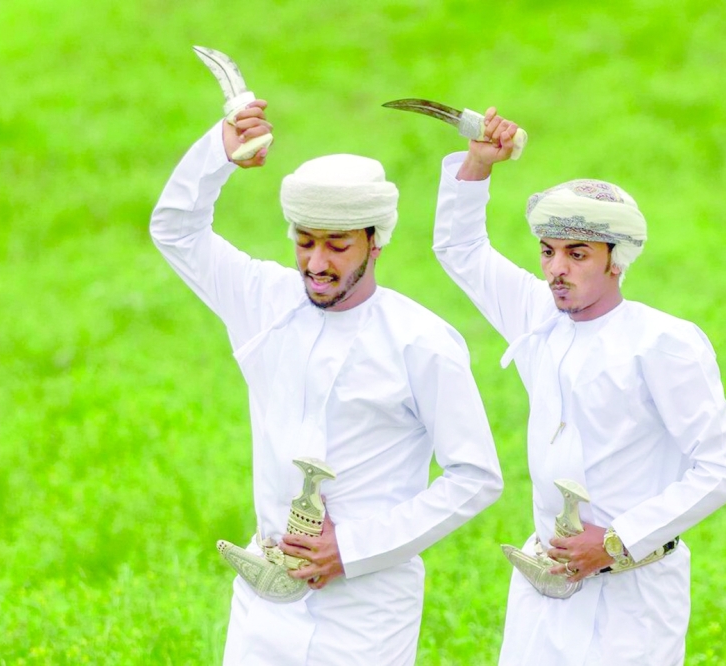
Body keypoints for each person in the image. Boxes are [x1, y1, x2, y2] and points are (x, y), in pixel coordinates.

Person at [149, 99, 503, 666]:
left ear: (375, 241)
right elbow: (174, 228)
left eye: (338, 245)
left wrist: (351, 550)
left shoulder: (422, 341)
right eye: (305, 241)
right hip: (263, 594)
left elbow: (476, 477)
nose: (316, 261)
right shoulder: (261, 300)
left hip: (367, 607)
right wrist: (219, 151)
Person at [431, 108, 726, 664]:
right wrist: (479, 164)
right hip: (543, 586)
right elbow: (459, 250)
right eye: (549, 252)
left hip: (636, 593)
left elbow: (724, 467)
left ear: (616, 261)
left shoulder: (663, 342)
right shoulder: (536, 315)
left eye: (577, 254)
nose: (557, 269)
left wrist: (616, 541)